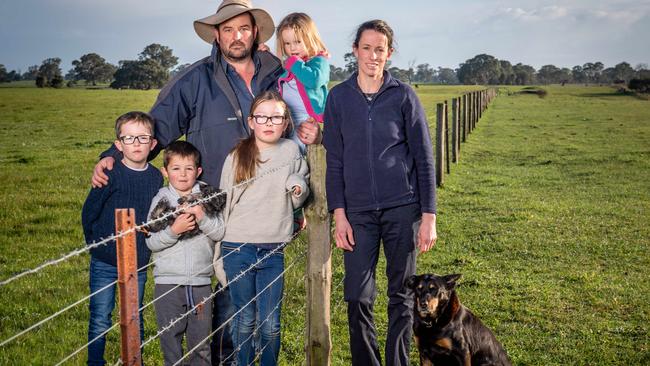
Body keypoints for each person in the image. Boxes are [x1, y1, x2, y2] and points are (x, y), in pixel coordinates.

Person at [88, 1, 320, 363]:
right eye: (227, 30)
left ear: (255, 31)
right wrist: (113, 155)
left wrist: (311, 131)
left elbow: (308, 103)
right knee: (204, 295)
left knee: (254, 306)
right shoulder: (194, 79)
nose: (236, 36)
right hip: (208, 204)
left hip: (264, 209)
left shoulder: (278, 72)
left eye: (243, 28)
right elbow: (157, 127)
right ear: (216, 35)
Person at [322, 20, 438, 366]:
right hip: (357, 213)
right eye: (367, 48)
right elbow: (336, 161)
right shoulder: (339, 98)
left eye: (380, 49)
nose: (373, 55)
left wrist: (428, 216)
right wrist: (339, 214)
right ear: (355, 50)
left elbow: (424, 157)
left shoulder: (403, 95)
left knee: (401, 296)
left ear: (389, 54)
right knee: (358, 296)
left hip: (403, 208)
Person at [219, 90, 309, 366]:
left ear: (285, 123)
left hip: (273, 249)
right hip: (237, 247)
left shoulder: (292, 150)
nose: (268, 123)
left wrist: (297, 186)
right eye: (262, 117)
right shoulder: (238, 155)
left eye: (276, 117)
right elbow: (224, 203)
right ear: (251, 122)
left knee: (270, 324)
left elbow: (301, 187)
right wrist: (217, 256)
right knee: (244, 319)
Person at [81, 111, 163, 366]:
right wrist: (94, 242)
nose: (136, 144)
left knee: (132, 315)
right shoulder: (111, 173)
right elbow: (90, 211)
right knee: (100, 317)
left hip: (137, 260)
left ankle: (131, 359)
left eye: (142, 138)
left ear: (153, 144)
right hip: (105, 260)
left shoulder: (155, 177)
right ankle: (95, 361)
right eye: (129, 139)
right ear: (118, 145)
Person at [146, 141, 226, 365]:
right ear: (165, 171)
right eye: (175, 168)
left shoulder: (207, 198)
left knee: (200, 344)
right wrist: (174, 230)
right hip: (167, 284)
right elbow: (151, 242)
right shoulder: (160, 201)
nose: (182, 175)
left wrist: (202, 216)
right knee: (170, 341)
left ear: (198, 171)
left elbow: (219, 232)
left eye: (188, 168)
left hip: (201, 283)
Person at [276, 12, 329, 153]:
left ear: (310, 39)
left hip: (309, 122)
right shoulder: (291, 68)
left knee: (295, 156)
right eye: (287, 43)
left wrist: (294, 63)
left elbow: (314, 81)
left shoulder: (318, 62)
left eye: (298, 42)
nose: (292, 48)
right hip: (290, 123)